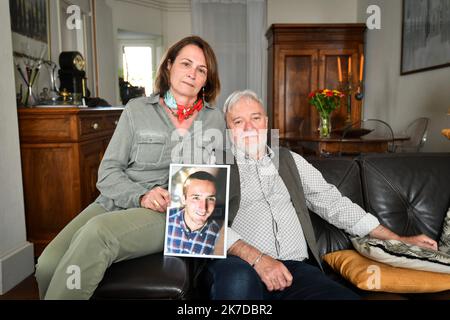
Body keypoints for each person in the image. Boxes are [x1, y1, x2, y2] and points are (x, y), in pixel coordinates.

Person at [35, 36, 225, 300]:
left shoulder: (214, 119)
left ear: (207, 80)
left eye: (201, 70)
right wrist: (140, 195)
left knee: (98, 233)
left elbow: (218, 179)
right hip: (116, 201)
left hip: (168, 213)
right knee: (46, 266)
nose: (192, 74)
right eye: (186, 64)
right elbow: (108, 172)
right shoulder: (136, 109)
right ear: (169, 66)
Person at [205, 89, 438, 300]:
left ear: (266, 122)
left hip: (295, 269)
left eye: (255, 118)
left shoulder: (290, 160)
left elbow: (333, 203)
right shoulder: (215, 163)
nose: (249, 128)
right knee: (237, 284)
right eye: (238, 121)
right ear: (228, 130)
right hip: (239, 265)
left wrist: (397, 239)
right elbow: (202, 221)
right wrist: (258, 259)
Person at [165, 171, 220, 255]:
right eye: (196, 198)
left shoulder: (219, 235)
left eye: (210, 199)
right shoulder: (166, 221)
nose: (203, 208)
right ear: (184, 199)